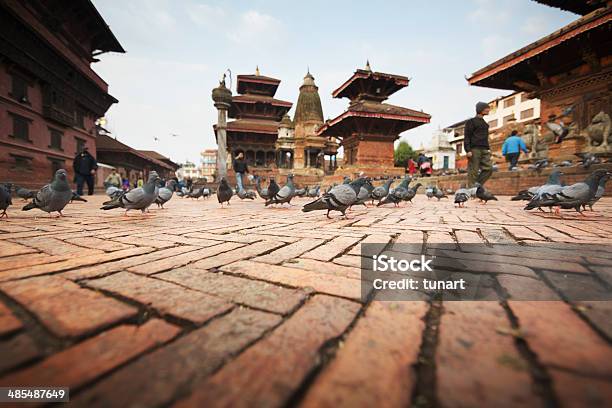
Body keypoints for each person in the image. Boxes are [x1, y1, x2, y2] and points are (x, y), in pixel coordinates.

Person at [464, 102, 493, 187]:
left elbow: (485, 138)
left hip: (484, 149)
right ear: (481, 109)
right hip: (474, 149)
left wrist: (488, 149)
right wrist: (468, 150)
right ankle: (471, 190)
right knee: (473, 171)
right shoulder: (471, 122)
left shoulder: (485, 124)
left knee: (489, 169)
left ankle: (477, 186)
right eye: (486, 108)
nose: (488, 110)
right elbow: (467, 136)